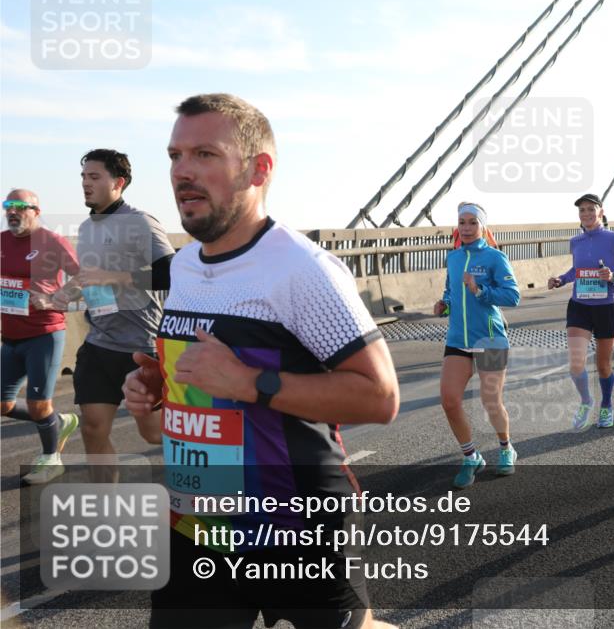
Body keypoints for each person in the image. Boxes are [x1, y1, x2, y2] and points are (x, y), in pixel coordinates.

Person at [123, 94, 400, 628]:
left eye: (204, 154)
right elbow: (163, 428)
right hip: (199, 521)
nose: (183, 172)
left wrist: (248, 380)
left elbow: (381, 397)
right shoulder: (182, 268)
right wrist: (149, 395)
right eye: (175, 156)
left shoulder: (301, 270)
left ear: (258, 168)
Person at [50, 149, 174, 479]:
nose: (85, 184)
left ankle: (215, 449)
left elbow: (171, 273)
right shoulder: (89, 228)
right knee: (92, 428)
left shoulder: (139, 222)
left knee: (152, 434)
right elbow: (93, 276)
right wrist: (62, 295)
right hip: (99, 345)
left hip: (139, 347)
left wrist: (117, 277)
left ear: (118, 183)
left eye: (94, 177)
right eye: (83, 177)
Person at [433, 202, 520, 488]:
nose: (467, 228)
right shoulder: (453, 258)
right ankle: (471, 456)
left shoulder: (495, 257)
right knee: (449, 399)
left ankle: (506, 448)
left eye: (472, 222)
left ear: (482, 226)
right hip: (458, 340)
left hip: (491, 338)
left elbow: (512, 296)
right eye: (462, 222)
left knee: (491, 401)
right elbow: (449, 289)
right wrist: (444, 304)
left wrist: (479, 290)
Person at [2, 190, 81, 484]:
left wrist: (56, 297)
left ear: (36, 210)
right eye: (8, 205)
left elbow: (83, 276)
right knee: (3, 405)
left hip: (44, 334)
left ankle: (51, 459)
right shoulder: (2, 241)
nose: (13, 211)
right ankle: (57, 421)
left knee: (37, 405)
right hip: (10, 337)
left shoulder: (52, 241)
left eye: (21, 206)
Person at [548, 194, 614, 430]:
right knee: (576, 364)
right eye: (582, 210)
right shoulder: (576, 241)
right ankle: (586, 401)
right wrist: (560, 279)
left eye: (590, 209)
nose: (586, 214)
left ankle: (606, 405)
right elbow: (576, 270)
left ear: (601, 211)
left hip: (606, 306)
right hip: (579, 306)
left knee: (603, 365)